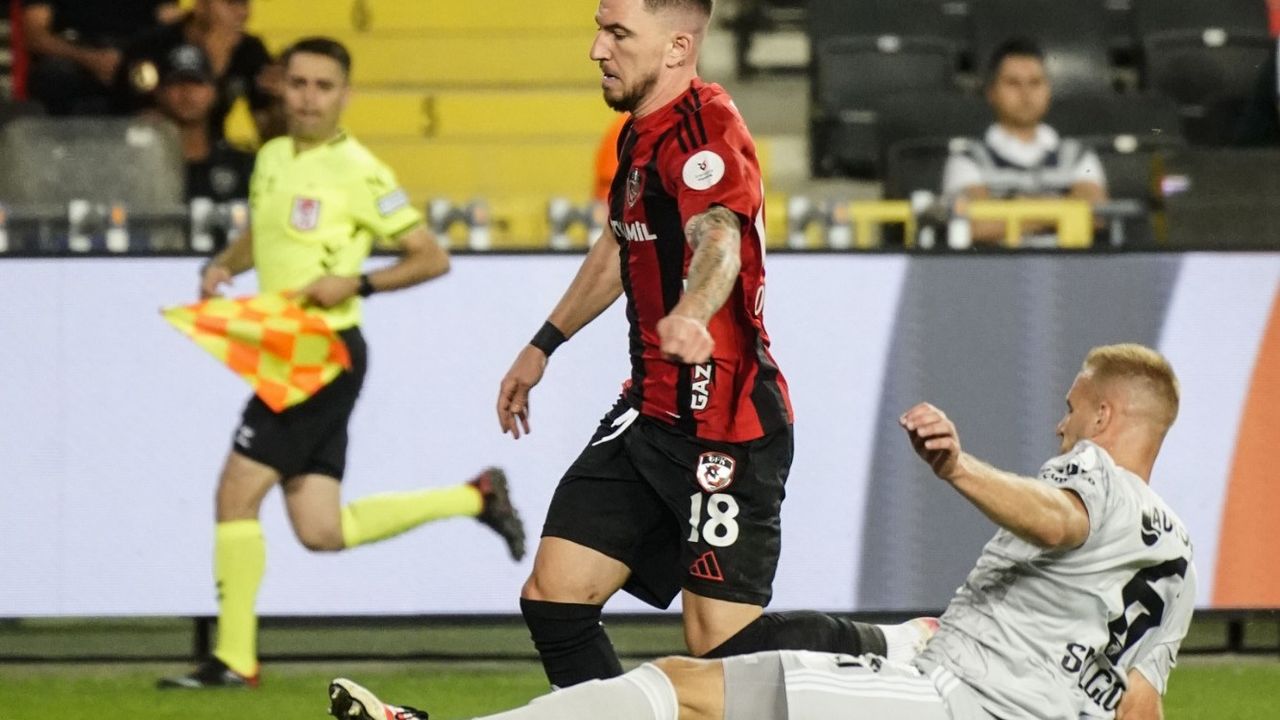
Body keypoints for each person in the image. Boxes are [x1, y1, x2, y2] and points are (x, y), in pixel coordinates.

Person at [335, 343, 1195, 720]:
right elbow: (1138, 705)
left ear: (1104, 415)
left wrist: (960, 469)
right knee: (740, 664)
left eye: (1071, 409)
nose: (1060, 426)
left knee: (683, 689)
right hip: (953, 671)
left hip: (952, 701)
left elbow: (1060, 521)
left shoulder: (1094, 477)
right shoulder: (1176, 561)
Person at [494, 0, 926, 691]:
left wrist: (693, 311)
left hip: (725, 427)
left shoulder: (707, 134)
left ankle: (892, 644)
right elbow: (621, 239)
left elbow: (719, 235)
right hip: (650, 416)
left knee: (723, 649)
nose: (597, 49)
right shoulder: (640, 131)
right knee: (555, 597)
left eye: (617, 33)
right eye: (599, 29)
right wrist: (544, 343)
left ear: (676, 47)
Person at [157, 37, 527, 690]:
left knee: (235, 493)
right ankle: (475, 496)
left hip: (320, 356)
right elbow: (262, 231)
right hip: (286, 351)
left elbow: (430, 256)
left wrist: (357, 284)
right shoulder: (272, 155)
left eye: (323, 86)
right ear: (281, 87)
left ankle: (234, 658)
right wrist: (224, 264)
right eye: (298, 84)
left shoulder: (360, 171)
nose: (308, 98)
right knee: (320, 529)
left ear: (345, 96)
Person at [942, 38, 1109, 246]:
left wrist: (1012, 211)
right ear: (991, 92)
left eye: (1035, 82)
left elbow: (1097, 216)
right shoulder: (966, 159)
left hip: (1069, 263)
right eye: (1013, 83)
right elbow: (976, 224)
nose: (1026, 94)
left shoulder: (1078, 154)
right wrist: (1059, 210)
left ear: (1048, 90)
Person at [117, 0, 283, 142]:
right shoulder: (151, 47)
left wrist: (278, 101)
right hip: (152, 148)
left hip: (215, 150)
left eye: (245, 3)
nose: (243, 13)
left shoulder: (250, 50)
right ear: (201, 6)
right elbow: (127, 116)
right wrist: (214, 67)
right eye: (231, 3)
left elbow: (268, 130)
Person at [139, 42, 255, 203]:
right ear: (159, 93)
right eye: (176, 82)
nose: (187, 91)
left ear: (214, 92)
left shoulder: (240, 164)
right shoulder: (140, 165)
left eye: (197, 82)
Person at [20, 0, 179, 115]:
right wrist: (91, 59)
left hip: (136, 55)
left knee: (171, 77)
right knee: (54, 75)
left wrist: (129, 60)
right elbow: (34, 37)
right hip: (74, 54)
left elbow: (172, 24)